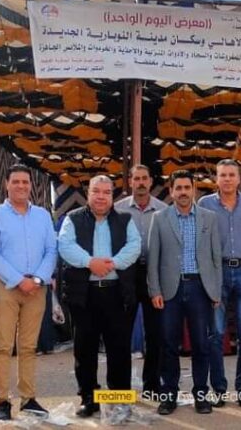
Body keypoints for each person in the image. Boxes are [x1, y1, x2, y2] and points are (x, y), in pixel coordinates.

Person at [58, 175, 141, 418]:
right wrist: (90, 262)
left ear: (112, 196)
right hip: (84, 295)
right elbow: (65, 246)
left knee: (119, 349)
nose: (101, 197)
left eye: (106, 192)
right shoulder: (73, 219)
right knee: (85, 349)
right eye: (96, 191)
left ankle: (118, 399)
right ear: (88, 193)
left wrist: (112, 263)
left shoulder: (125, 219)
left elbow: (134, 247)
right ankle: (89, 399)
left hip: (117, 293)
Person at [0, 164, 58, 421]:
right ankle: (3, 400)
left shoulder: (43, 216)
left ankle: (28, 398)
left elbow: (51, 250)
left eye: (25, 182)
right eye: (16, 181)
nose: (21, 186)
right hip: (5, 287)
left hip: (36, 287)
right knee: (4, 346)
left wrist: (37, 278)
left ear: (31, 185)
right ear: (6, 184)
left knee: (28, 346)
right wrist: (18, 280)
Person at [148, 170, 222, 415]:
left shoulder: (209, 218)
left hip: (200, 287)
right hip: (170, 290)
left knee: (201, 344)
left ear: (194, 190)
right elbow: (153, 258)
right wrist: (155, 290)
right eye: (178, 188)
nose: (182, 192)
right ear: (171, 191)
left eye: (186, 187)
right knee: (169, 344)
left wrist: (215, 291)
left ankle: (201, 394)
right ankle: (169, 395)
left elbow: (216, 258)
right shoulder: (159, 218)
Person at [198, 159, 241, 408]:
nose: (227, 179)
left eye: (231, 175)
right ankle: (219, 389)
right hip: (217, 272)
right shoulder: (204, 204)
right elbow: (200, 243)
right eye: (222, 175)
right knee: (216, 334)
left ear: (239, 178)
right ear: (216, 178)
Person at [114, 165, 168, 398]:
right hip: (127, 275)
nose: (141, 183)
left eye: (145, 178)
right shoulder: (118, 209)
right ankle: (122, 388)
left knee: (155, 334)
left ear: (151, 181)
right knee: (122, 332)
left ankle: (152, 386)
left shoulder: (164, 209)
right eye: (136, 179)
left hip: (154, 274)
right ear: (130, 181)